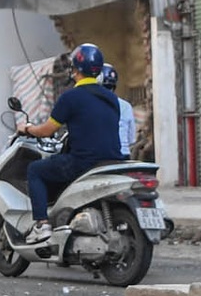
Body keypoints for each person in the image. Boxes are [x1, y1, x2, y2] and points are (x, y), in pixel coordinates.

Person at [13, 44, 126, 244]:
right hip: (110, 162)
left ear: (75, 69)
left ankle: (41, 225)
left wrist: (28, 128)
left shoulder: (70, 97)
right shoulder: (111, 99)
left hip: (83, 162)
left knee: (35, 170)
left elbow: (48, 130)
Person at [100, 65, 138, 159]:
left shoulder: (92, 106)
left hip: (102, 158)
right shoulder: (126, 106)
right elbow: (131, 139)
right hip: (124, 155)